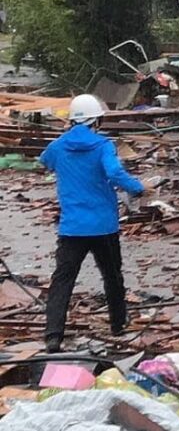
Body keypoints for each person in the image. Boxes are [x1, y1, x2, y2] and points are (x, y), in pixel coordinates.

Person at [38, 94, 150, 352]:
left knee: (62, 281)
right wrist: (137, 188)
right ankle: (118, 324)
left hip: (72, 227)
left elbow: (45, 162)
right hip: (103, 225)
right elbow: (113, 172)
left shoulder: (58, 146)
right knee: (112, 276)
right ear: (96, 120)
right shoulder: (103, 145)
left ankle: (53, 335)